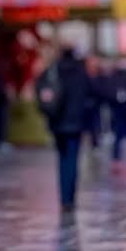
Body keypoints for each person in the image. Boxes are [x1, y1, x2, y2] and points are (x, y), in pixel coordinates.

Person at [37, 46, 92, 211]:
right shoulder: (81, 73)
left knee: (61, 159)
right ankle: (70, 197)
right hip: (75, 123)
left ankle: (64, 197)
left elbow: (40, 92)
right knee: (72, 160)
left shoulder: (52, 71)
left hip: (57, 122)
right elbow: (90, 95)